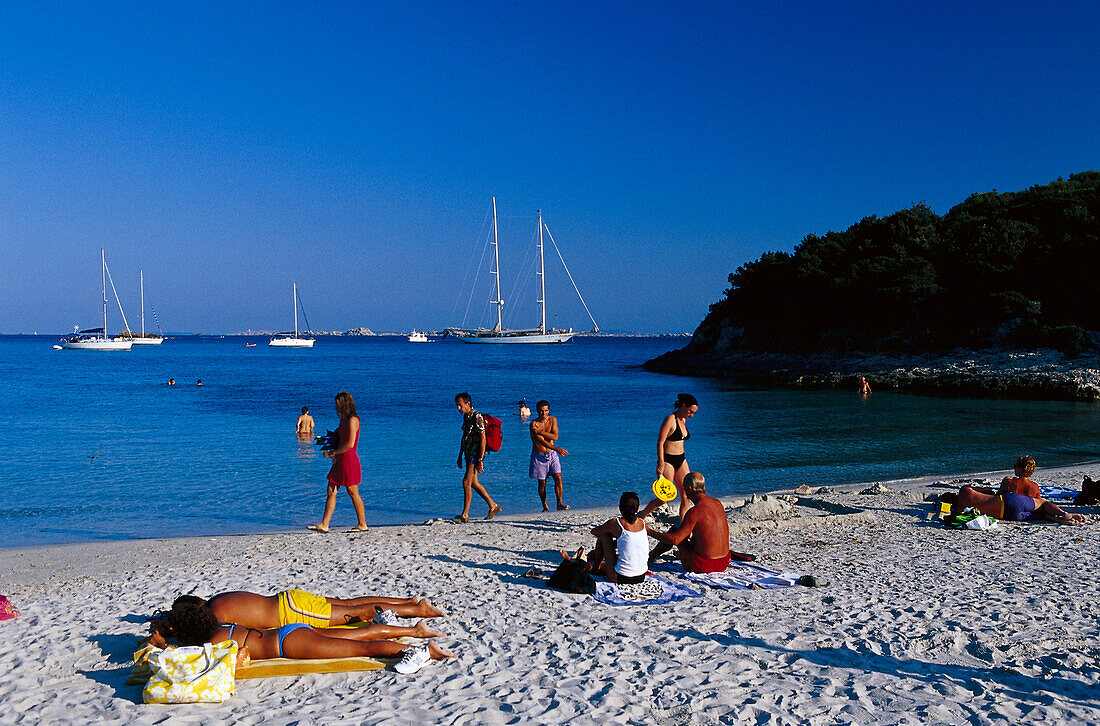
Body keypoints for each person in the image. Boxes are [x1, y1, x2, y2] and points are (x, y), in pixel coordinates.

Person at [153, 599, 455, 670]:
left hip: (291, 643)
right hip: (290, 633)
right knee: (357, 638)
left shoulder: (211, 641)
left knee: (363, 648)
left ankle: (423, 651)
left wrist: (163, 644)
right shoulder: (217, 627)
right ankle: (416, 634)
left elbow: (188, 663)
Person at [157, 589, 444, 630]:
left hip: (291, 613)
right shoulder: (218, 599)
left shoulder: (216, 616)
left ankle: (418, 612)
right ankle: (411, 604)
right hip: (289, 598)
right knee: (351, 602)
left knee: (361, 611)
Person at [647, 472, 733, 573]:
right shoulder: (717, 503)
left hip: (704, 565)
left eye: (684, 488)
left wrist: (649, 531)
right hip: (725, 561)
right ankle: (659, 555)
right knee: (688, 535)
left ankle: (652, 556)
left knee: (674, 531)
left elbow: (675, 539)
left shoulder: (694, 511)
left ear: (690, 489)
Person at [308, 391, 367, 532]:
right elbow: (338, 436)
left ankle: (362, 524)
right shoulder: (344, 420)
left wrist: (332, 452)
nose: (336, 408)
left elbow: (350, 444)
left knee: (352, 491)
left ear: (343, 404)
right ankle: (324, 524)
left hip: (348, 460)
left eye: (337, 404)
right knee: (331, 490)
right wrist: (326, 442)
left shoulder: (353, 420)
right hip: (340, 460)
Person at [640, 393, 699, 521]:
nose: (692, 415)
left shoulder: (683, 419)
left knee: (687, 495)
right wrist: (660, 463)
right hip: (667, 460)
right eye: (690, 411)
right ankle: (642, 516)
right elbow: (660, 442)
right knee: (664, 498)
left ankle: (683, 523)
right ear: (683, 406)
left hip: (681, 459)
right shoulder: (670, 420)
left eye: (694, 413)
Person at [454, 392, 501, 523]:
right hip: (468, 454)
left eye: (460, 405)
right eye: (457, 405)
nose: (458, 408)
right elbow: (464, 438)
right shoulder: (466, 417)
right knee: (473, 483)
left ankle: (465, 514)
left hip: (475, 455)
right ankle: (493, 505)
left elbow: (483, 439)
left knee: (466, 482)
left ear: (468, 403)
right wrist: (460, 455)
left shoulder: (477, 416)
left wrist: (480, 459)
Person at [586, 492, 649, 583]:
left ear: (620, 508)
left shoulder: (616, 523)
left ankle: (595, 567)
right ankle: (597, 563)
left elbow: (594, 531)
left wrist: (610, 533)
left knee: (603, 535)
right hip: (641, 576)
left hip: (620, 577)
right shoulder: (642, 523)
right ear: (638, 509)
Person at [950, 483, 1085, 524]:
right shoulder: (965, 490)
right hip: (1007, 500)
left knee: (1041, 515)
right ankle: (1064, 514)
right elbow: (989, 491)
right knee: (1043, 504)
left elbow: (959, 516)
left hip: (1007, 515)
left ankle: (1057, 520)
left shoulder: (959, 509)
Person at [530, 399, 570, 512]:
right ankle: (545, 506)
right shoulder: (534, 424)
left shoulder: (553, 420)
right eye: (541, 411)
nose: (544, 413)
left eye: (546, 411)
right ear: (537, 411)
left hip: (552, 455)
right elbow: (542, 441)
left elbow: (555, 437)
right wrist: (558, 449)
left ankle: (559, 503)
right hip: (539, 455)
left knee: (558, 477)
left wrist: (541, 431)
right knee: (542, 483)